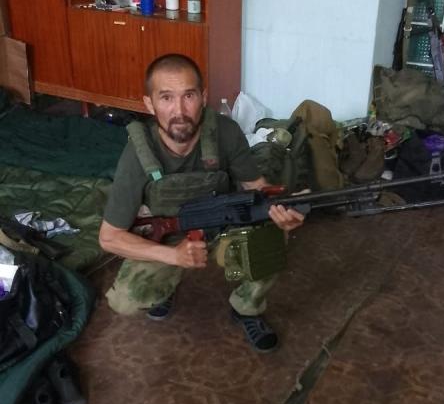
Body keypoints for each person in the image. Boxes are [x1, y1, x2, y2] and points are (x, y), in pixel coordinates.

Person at [98, 54, 304, 353]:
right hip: (171, 236)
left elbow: (256, 187)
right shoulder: (137, 156)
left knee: (272, 233)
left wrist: (283, 211)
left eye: (189, 96)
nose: (179, 111)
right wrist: (173, 256)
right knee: (126, 300)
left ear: (203, 98)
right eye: (166, 98)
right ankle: (166, 286)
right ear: (149, 104)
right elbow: (109, 237)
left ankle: (247, 307)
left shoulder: (225, 132)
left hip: (224, 224)